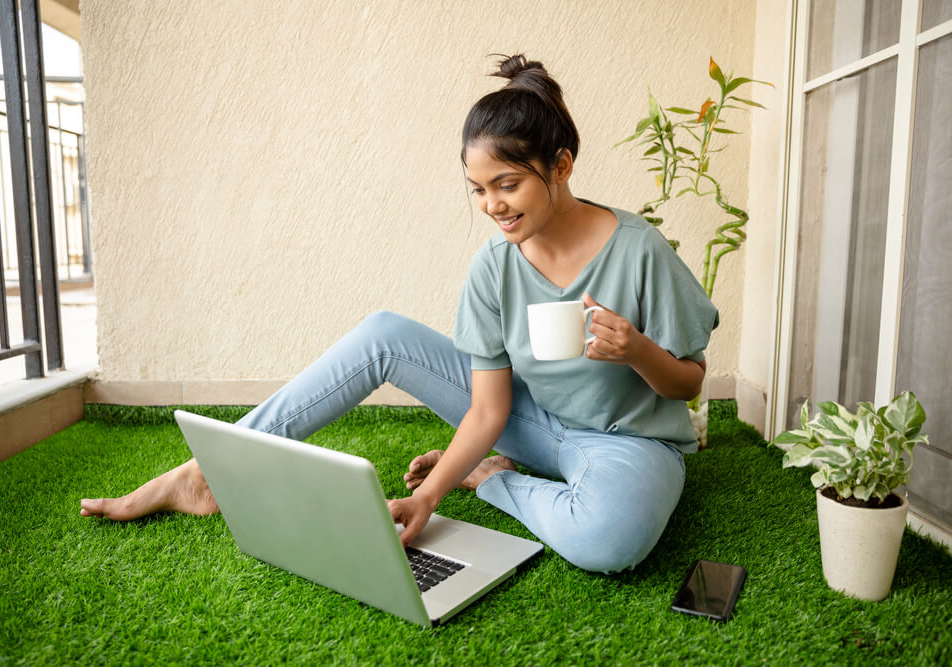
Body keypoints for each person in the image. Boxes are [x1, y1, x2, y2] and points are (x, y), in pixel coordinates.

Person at [81, 54, 718, 574]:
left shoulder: (637, 249)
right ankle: (210, 472)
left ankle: (495, 480)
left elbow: (690, 381)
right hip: (535, 423)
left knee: (610, 541)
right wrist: (427, 497)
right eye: (478, 189)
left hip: (628, 443)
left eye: (508, 184)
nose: (492, 205)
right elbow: (490, 409)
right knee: (383, 334)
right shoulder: (493, 268)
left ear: (561, 166)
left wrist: (636, 350)